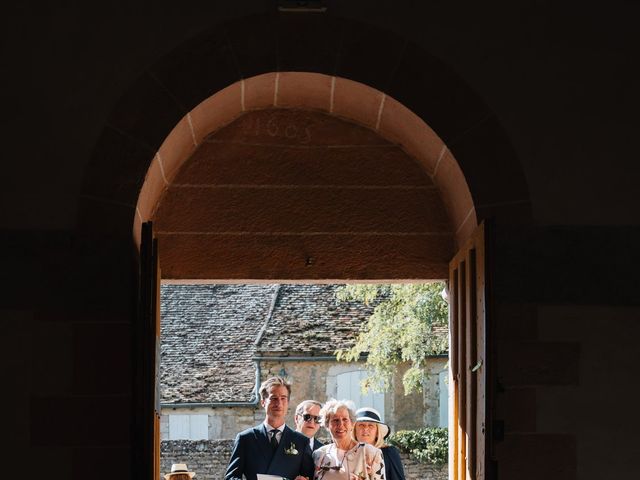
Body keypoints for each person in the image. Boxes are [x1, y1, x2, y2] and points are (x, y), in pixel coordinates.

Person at [224, 376, 314, 480]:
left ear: (288, 403)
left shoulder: (301, 441)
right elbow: (231, 477)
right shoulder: (246, 439)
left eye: (283, 398)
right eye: (274, 398)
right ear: (263, 402)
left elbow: (309, 477)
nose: (279, 403)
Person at [312, 399, 385, 480]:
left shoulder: (371, 453)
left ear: (352, 424)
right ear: (327, 425)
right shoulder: (319, 454)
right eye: (335, 420)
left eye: (345, 419)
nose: (340, 425)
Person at [352, 408, 405, 480]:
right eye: (361, 425)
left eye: (370, 425)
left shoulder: (389, 453)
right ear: (355, 431)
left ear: (377, 432)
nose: (365, 429)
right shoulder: (347, 454)